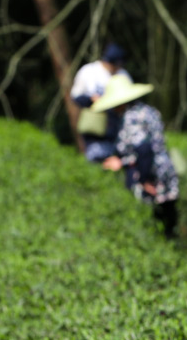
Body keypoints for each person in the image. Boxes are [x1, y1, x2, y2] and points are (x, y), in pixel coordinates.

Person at [91, 74, 179, 239]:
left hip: (151, 172)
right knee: (169, 214)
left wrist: (144, 180)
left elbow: (144, 149)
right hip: (164, 167)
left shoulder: (131, 118)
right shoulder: (148, 110)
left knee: (156, 221)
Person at [69, 43, 132, 162]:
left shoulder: (123, 74)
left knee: (117, 159)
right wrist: (91, 100)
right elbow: (75, 96)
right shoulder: (89, 71)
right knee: (96, 159)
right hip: (95, 125)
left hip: (117, 125)